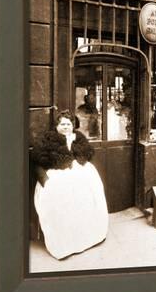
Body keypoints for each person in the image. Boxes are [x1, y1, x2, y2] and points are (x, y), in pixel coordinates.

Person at [31, 111, 108, 260]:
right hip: (57, 174)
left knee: (87, 198)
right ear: (57, 126)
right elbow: (37, 159)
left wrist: (73, 146)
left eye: (68, 124)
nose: (65, 127)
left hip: (79, 173)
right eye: (62, 124)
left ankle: (88, 237)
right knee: (61, 202)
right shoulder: (48, 139)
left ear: (73, 125)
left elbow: (86, 154)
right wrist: (45, 180)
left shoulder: (79, 137)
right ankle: (65, 244)